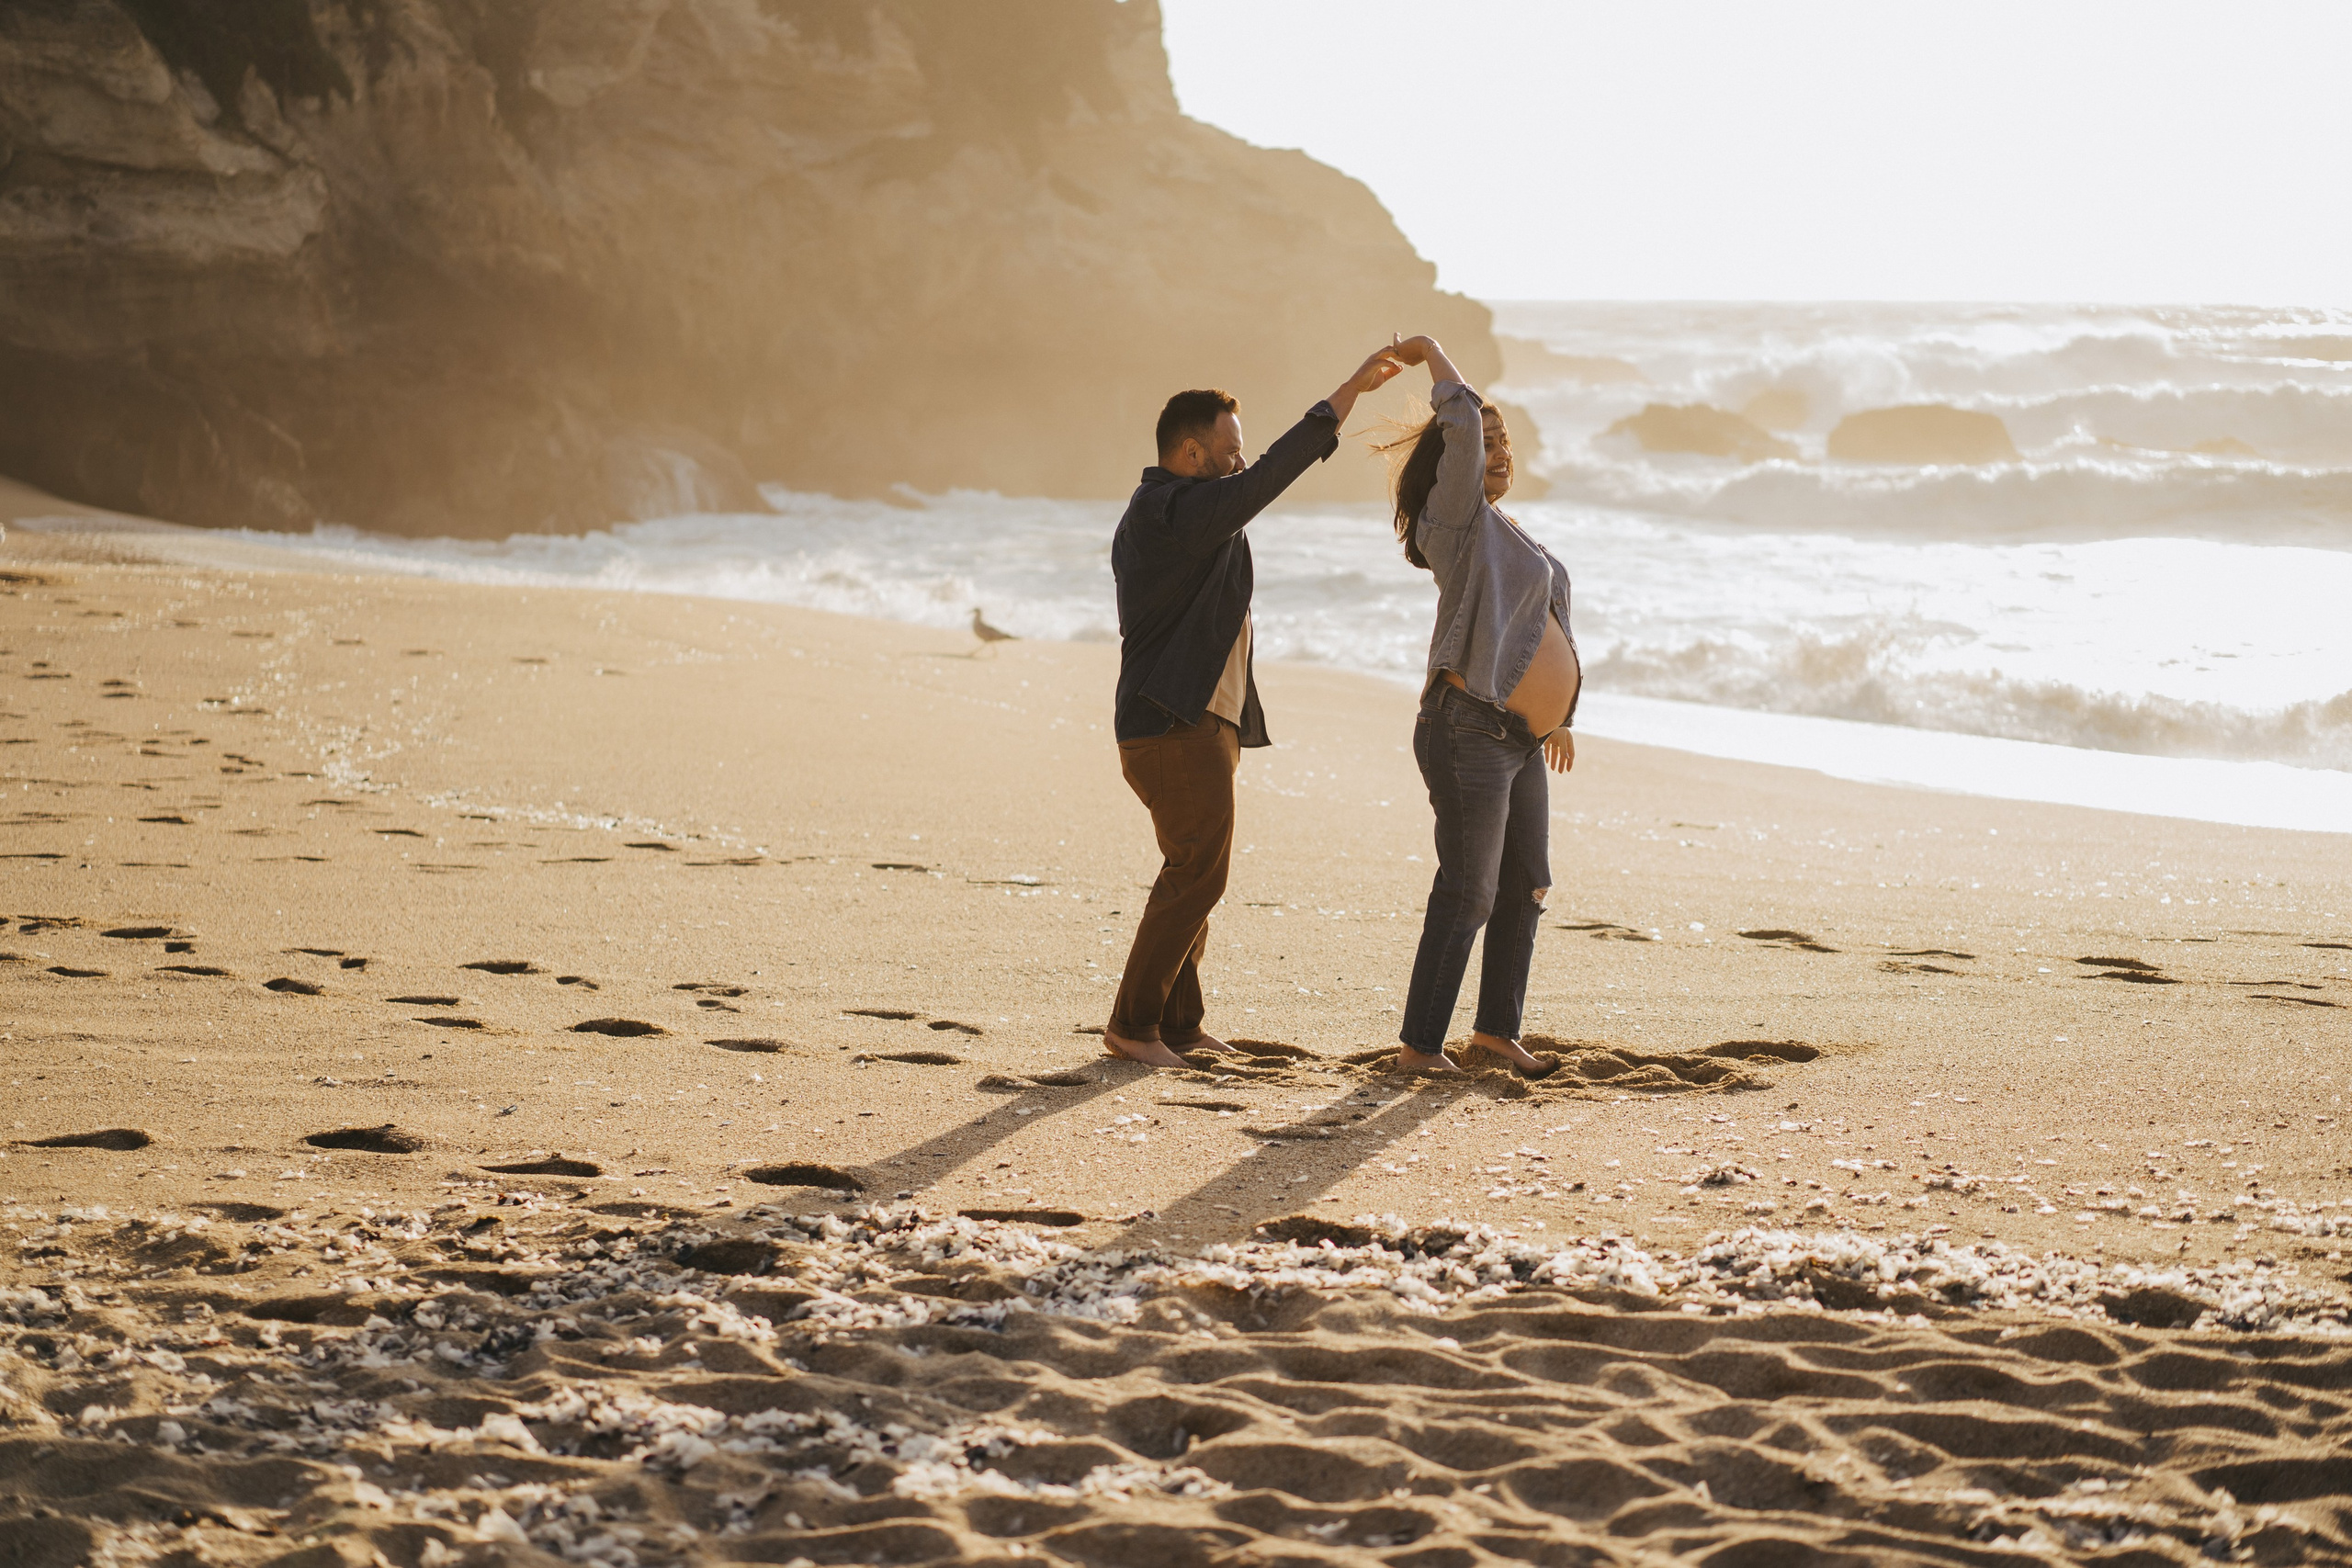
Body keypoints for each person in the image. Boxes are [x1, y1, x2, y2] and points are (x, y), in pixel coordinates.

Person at [1103, 347, 1405, 1069]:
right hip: (1171, 724)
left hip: (1196, 722)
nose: (1240, 463)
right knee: (1197, 875)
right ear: (1189, 450)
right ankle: (1132, 1025)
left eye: (1240, 451)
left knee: (1193, 872)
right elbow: (1268, 478)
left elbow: (1246, 496)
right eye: (1228, 451)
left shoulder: (1192, 516)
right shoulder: (1167, 510)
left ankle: (1177, 1024)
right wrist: (1345, 397)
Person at [1380, 333, 1580, 1077]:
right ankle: (1420, 1046)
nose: (1498, 451)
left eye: (1506, 442)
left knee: (1526, 881)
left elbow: (1547, 629)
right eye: (1487, 443)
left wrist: (1563, 715)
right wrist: (1432, 352)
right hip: (1466, 728)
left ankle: (1496, 1032)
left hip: (1521, 737)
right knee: (1469, 888)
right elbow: (1458, 419)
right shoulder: (1457, 523)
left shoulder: (1512, 533)